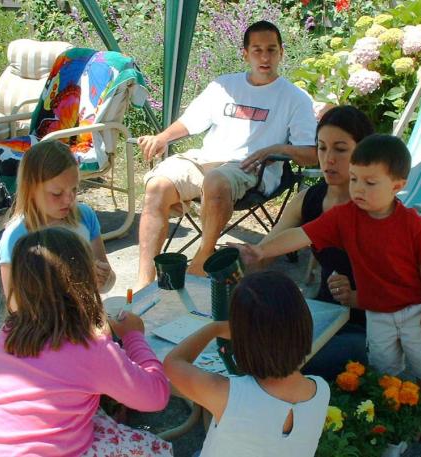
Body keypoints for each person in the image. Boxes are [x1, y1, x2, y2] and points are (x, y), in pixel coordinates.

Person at [237, 134, 421, 443]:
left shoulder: (411, 224)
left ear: (397, 186)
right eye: (354, 179)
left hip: (417, 309)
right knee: (384, 367)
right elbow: (302, 234)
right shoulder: (344, 217)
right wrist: (263, 251)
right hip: (376, 311)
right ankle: (390, 412)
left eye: (370, 183)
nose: (358, 189)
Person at [0, 227, 172, 457]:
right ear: (84, 281)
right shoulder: (90, 348)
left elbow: (57, 367)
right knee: (154, 449)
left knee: (94, 413)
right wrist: (133, 335)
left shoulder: (9, 332)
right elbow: (156, 396)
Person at [135, 20, 317, 289]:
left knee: (216, 181)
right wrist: (163, 137)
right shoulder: (223, 85)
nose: (265, 57)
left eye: (271, 50)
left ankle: (202, 260)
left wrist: (277, 148)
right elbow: (191, 121)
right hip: (205, 158)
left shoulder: (295, 98)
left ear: (281, 52)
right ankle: (145, 279)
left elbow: (311, 155)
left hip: (252, 168)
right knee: (157, 186)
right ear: (245, 53)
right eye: (257, 50)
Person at [256, 105, 374, 380]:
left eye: (340, 149)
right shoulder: (308, 200)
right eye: (322, 148)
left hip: (370, 328)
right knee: (251, 346)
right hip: (323, 315)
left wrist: (356, 297)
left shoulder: (378, 210)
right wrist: (236, 270)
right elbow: (263, 253)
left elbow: (403, 292)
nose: (328, 159)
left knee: (280, 365)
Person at [164, 271, 330, 457]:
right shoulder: (321, 389)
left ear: (241, 340)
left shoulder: (228, 395)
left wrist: (214, 328)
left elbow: (172, 363)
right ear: (303, 325)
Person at [0, 140, 115, 298]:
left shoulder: (85, 217)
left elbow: (106, 283)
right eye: (57, 193)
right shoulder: (16, 237)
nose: (69, 200)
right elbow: (15, 308)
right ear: (31, 189)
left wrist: (105, 279)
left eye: (74, 189)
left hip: (86, 318)